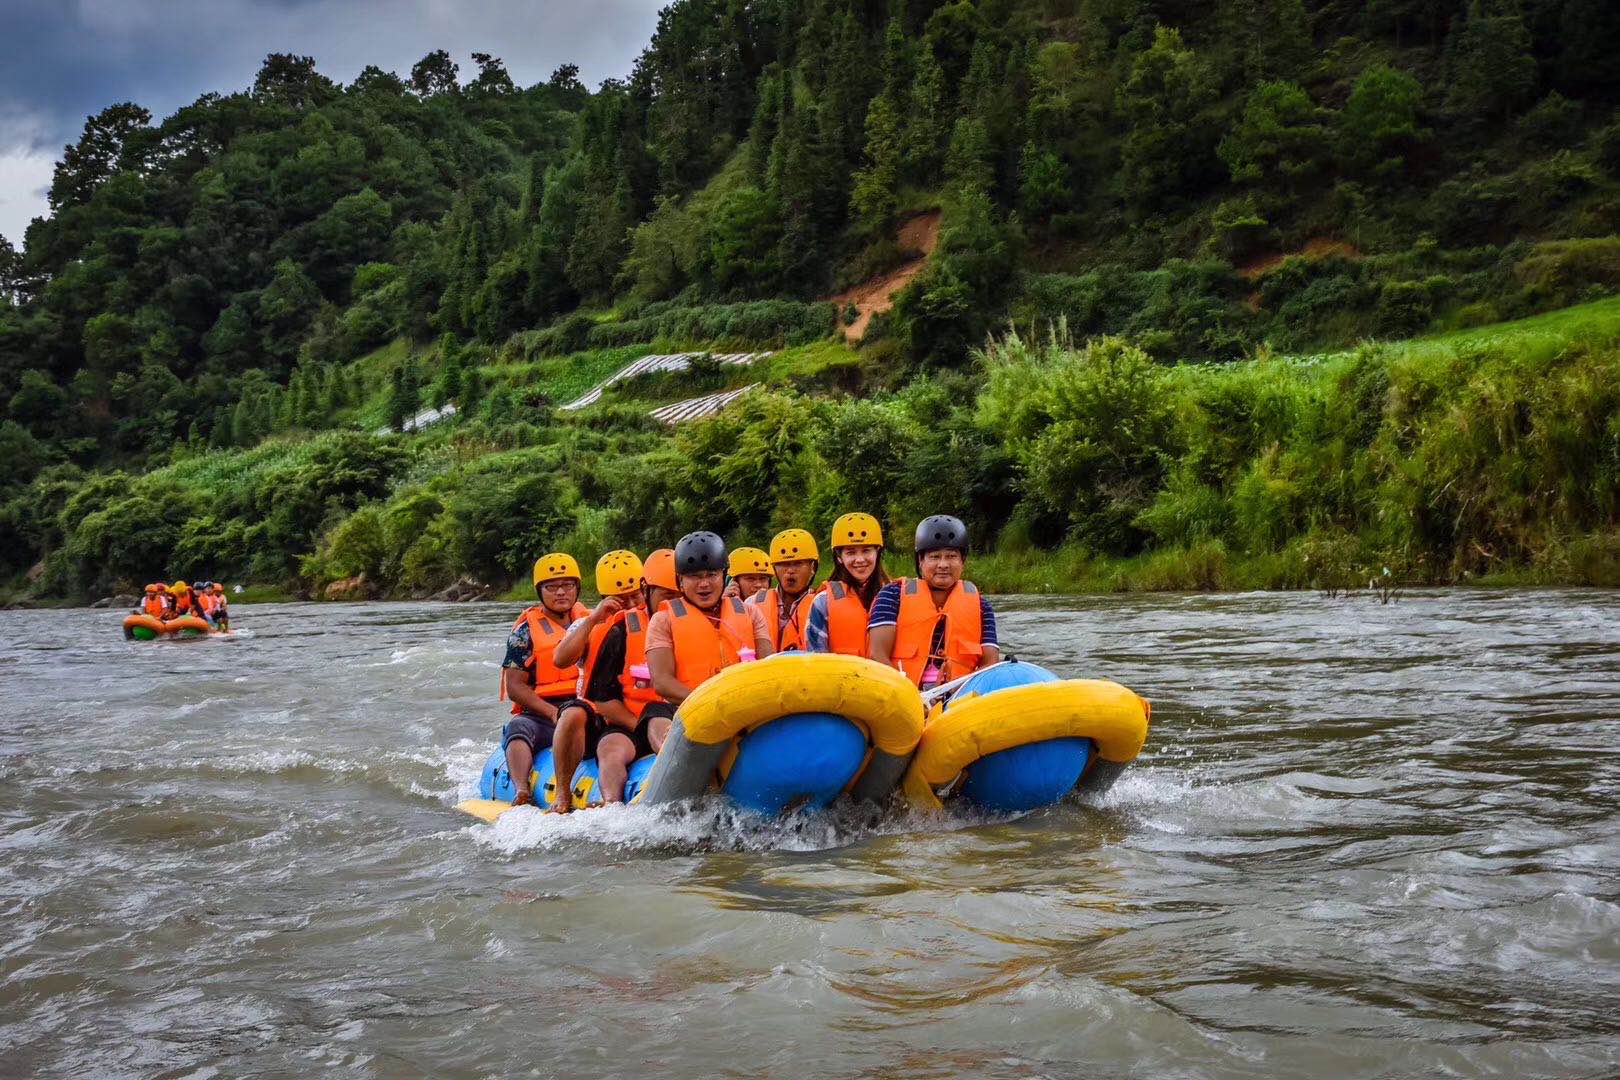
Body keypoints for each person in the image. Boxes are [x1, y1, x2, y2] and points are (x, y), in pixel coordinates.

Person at [548, 548, 683, 812]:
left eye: (634, 596)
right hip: (605, 713)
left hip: (654, 711)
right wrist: (595, 618)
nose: (630, 604)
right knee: (579, 717)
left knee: (654, 719)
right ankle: (564, 796)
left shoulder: (671, 622)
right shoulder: (599, 625)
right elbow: (561, 659)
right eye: (620, 600)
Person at [868, 515, 1000, 691]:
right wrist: (910, 695)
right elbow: (877, 656)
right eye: (935, 557)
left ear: (963, 561)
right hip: (902, 695)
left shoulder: (982, 606)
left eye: (951, 556)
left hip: (959, 697)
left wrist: (958, 692)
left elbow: (990, 663)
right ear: (920, 561)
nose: (943, 564)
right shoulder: (892, 595)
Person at [498, 553, 589, 807]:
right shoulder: (524, 632)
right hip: (542, 713)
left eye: (567, 585)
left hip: (584, 704)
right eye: (552, 587)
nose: (561, 592)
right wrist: (551, 712)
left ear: (577, 588)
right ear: (540, 591)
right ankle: (521, 790)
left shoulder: (591, 621)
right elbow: (515, 687)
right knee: (518, 728)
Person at [646, 532, 774, 707]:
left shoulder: (751, 613)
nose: (704, 583)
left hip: (747, 708)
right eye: (694, 576)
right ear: (680, 581)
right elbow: (662, 682)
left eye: (711, 574)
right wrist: (712, 704)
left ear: (724, 576)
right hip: (691, 712)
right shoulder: (662, 620)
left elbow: (768, 665)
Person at [803, 512, 890, 656]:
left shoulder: (895, 596)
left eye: (866, 551)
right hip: (841, 677)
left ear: (877, 552)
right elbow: (815, 659)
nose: (860, 559)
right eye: (851, 553)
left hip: (889, 677)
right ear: (839, 557)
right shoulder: (822, 602)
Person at [745, 528, 818, 652]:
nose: (790, 571)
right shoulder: (752, 604)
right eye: (783, 564)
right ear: (774, 568)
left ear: (812, 568)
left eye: (798, 563)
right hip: (766, 670)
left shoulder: (821, 604)